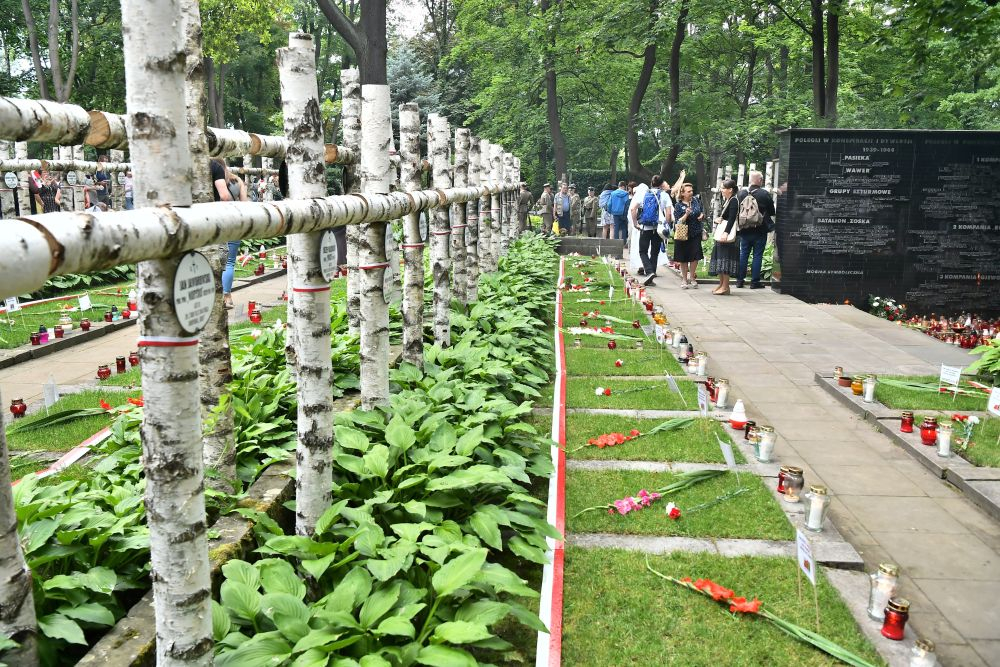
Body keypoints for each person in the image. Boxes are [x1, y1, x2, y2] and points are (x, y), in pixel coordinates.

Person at [736, 171, 775, 289]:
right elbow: (772, 212)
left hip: (744, 230)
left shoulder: (741, 193)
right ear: (760, 180)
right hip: (760, 230)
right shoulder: (764, 194)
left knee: (743, 254)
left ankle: (739, 281)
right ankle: (754, 282)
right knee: (757, 256)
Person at [210, 158, 241, 310]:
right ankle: (227, 296)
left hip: (213, 221)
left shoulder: (205, 173)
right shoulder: (237, 181)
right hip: (233, 222)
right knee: (229, 262)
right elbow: (245, 203)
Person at [631, 175, 669, 286]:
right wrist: (665, 226)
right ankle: (652, 273)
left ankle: (649, 272)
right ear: (661, 184)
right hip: (658, 229)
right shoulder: (664, 195)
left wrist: (635, 224)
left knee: (643, 251)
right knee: (654, 252)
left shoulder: (644, 193)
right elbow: (669, 214)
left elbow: (633, 209)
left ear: (651, 183)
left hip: (645, 227)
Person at [708, 179, 740, 295]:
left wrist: (726, 233)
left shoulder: (734, 201)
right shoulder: (728, 200)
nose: (721, 190)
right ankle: (721, 284)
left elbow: (731, 219)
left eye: (723, 188)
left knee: (725, 260)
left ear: (730, 189)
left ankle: (726, 286)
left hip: (728, 235)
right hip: (724, 233)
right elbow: (726, 217)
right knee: (720, 259)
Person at [673, 183, 705, 288]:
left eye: (692, 190)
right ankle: (684, 279)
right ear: (682, 193)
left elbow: (701, 211)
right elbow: (678, 221)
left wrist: (701, 215)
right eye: (689, 191)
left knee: (695, 255)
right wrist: (686, 214)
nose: (691, 192)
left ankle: (692, 277)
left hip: (695, 232)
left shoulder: (696, 201)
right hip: (683, 234)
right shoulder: (678, 205)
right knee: (683, 257)